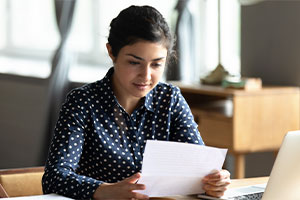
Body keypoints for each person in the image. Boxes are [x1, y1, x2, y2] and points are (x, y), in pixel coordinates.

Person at [42, 5, 230, 200]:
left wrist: (214, 181)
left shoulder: (170, 99)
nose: (146, 76)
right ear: (111, 52)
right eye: (134, 62)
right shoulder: (82, 103)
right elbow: (55, 178)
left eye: (157, 64)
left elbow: (198, 169)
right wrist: (106, 190)